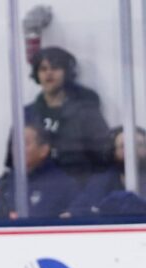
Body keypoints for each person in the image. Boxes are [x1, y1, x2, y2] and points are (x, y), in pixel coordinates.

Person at [12, 46, 111, 184]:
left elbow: (103, 158)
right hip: (36, 186)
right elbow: (13, 161)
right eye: (43, 69)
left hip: (76, 184)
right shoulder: (26, 114)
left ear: (66, 73)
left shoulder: (85, 112)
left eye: (55, 68)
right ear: (37, 74)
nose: (49, 74)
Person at [0, 123, 79, 220]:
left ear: (44, 150)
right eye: (15, 144)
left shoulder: (62, 184)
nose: (17, 149)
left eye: (25, 144)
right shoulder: (5, 182)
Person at [70, 126, 146, 217]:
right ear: (113, 151)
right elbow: (74, 213)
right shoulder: (100, 181)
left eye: (139, 145)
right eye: (123, 146)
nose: (133, 151)